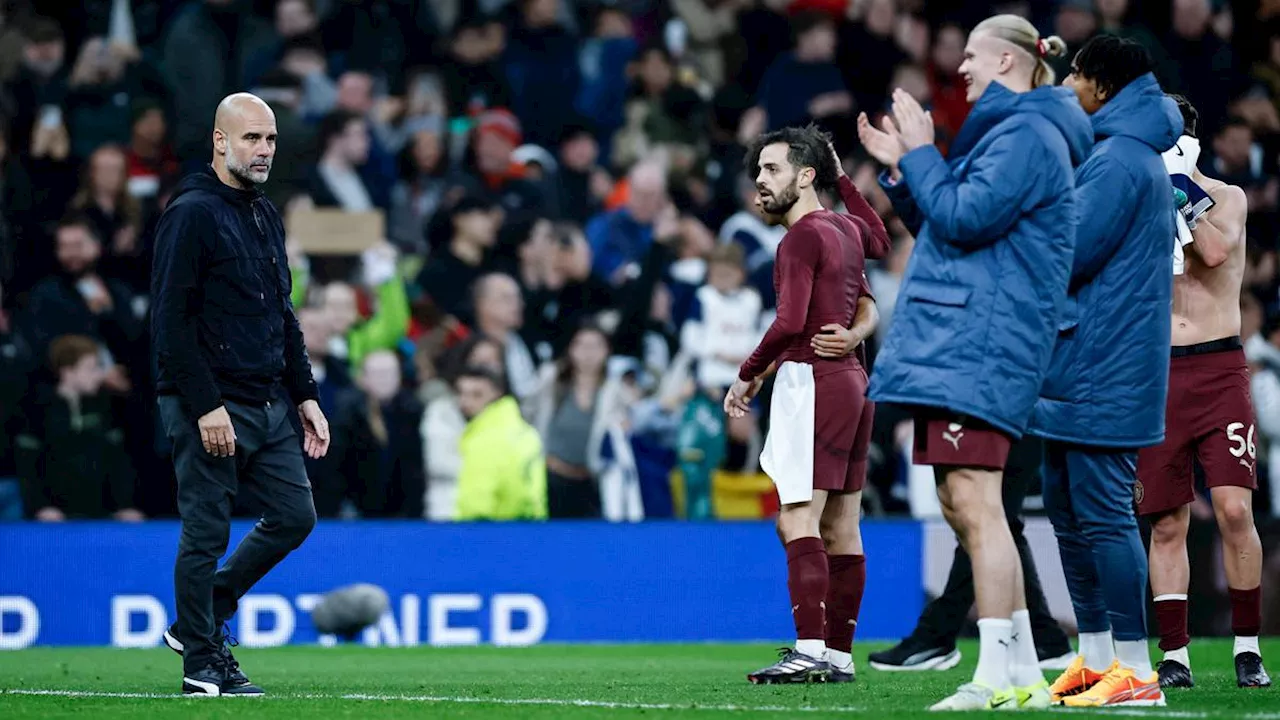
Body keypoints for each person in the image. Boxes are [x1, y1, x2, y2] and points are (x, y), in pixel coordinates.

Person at [860, 14, 1091, 710]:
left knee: (979, 505)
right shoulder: (1011, 133)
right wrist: (907, 168)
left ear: (1009, 62)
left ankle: (993, 673)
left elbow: (961, 217)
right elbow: (948, 226)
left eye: (970, 56)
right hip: (967, 340)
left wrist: (926, 153)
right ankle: (1019, 669)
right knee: (969, 506)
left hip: (983, 343)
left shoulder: (1024, 133)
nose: (959, 67)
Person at [151, 93, 330, 697]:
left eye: (270, 140)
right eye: (251, 139)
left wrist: (305, 394)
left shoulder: (264, 213)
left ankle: (201, 613)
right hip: (209, 400)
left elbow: (281, 311)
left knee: (295, 515)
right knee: (206, 530)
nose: (263, 151)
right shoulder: (192, 213)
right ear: (219, 142)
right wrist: (204, 406)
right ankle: (202, 663)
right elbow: (171, 323)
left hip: (268, 399)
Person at [1028, 35, 1180, 708]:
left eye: (1076, 80)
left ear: (1104, 88)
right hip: (1079, 361)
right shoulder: (1116, 152)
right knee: (1066, 511)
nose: (1070, 90)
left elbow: (1068, 249)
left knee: (1106, 516)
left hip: (1104, 365)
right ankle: (1095, 660)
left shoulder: (1119, 159)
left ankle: (1137, 671)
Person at [723, 124, 887, 684]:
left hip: (812, 381)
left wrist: (747, 373)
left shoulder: (799, 237)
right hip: (854, 381)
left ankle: (811, 649)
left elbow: (791, 322)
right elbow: (882, 241)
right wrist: (845, 179)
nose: (760, 184)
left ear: (805, 174)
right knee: (842, 524)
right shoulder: (845, 227)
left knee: (797, 515)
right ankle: (837, 655)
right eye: (757, 174)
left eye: (771, 170)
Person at [1139, 95, 1272, 691]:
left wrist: (1175, 183)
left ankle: (1248, 648)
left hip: (1219, 368)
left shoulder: (1227, 196)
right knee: (1167, 522)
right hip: (1159, 371)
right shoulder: (1142, 199)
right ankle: (1176, 654)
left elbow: (1214, 250)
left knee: (1234, 509)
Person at [863, 436, 1075, 673]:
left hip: (1001, 415)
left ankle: (941, 638)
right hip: (994, 414)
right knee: (996, 523)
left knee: (987, 522)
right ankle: (1045, 640)